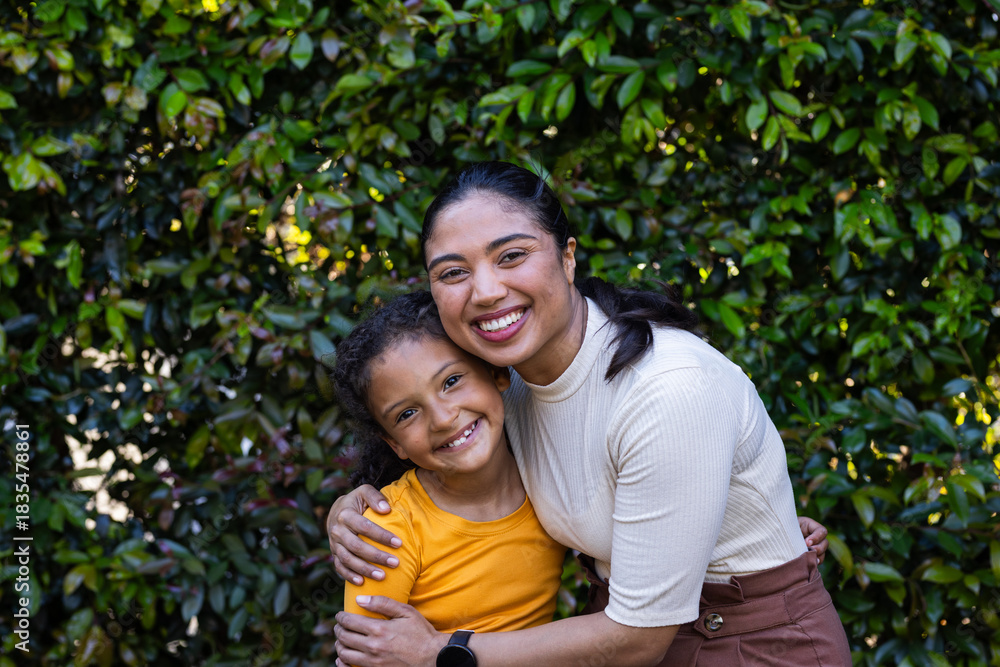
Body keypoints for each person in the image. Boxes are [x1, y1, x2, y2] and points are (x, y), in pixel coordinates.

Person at [329, 161, 850, 666]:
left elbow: (638, 637)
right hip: (613, 639)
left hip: (746, 646)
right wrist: (351, 513)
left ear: (567, 257)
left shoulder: (668, 387)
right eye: (453, 272)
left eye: (511, 255)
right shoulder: (503, 391)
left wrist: (441, 653)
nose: (485, 291)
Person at [332, 290, 566, 637]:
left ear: (497, 373)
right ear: (395, 443)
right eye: (407, 413)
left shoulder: (551, 470)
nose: (442, 419)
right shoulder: (388, 532)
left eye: (451, 382)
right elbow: (368, 653)